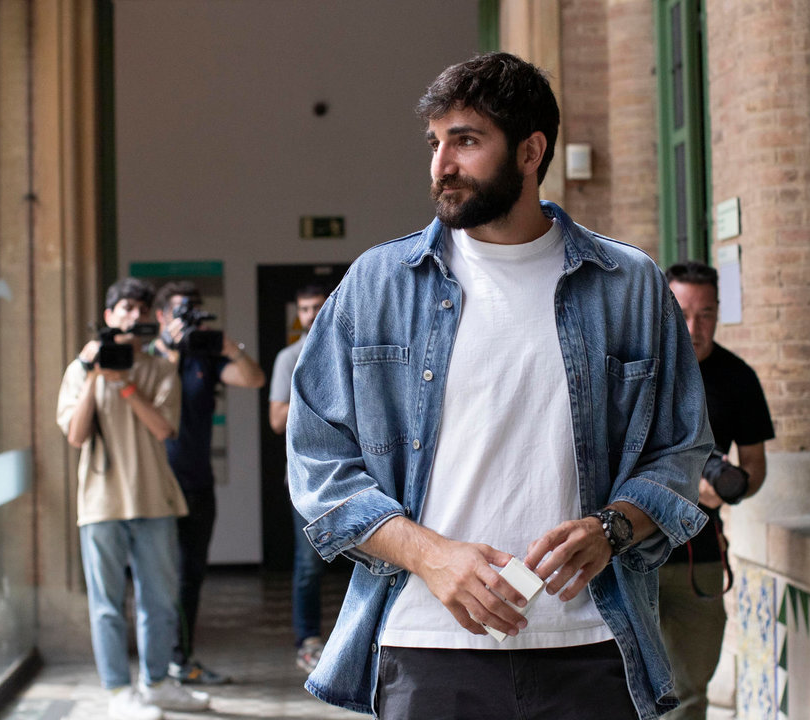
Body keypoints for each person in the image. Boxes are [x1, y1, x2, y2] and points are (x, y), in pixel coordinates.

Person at [286, 52, 714, 719]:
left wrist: (611, 526)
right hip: (427, 646)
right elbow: (317, 462)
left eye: (467, 140)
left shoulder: (629, 285)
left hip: (592, 644)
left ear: (530, 151)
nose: (442, 164)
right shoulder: (377, 286)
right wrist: (432, 558)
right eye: (436, 142)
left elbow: (682, 450)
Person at [56, 277, 211, 720]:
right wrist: (94, 375)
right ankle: (119, 691)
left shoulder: (162, 368)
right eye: (124, 308)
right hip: (100, 503)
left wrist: (124, 384)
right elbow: (76, 434)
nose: (133, 316)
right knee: (106, 605)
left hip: (154, 500)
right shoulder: (79, 370)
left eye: (140, 310)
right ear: (108, 318)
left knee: (159, 599)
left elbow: (164, 429)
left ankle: (158, 683)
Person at [659, 261, 775, 720]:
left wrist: (727, 490)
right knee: (620, 687)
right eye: (683, 311)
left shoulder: (738, 377)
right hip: (627, 554)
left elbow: (755, 467)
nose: (694, 326)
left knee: (688, 693)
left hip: (699, 555)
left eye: (706, 314)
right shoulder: (634, 367)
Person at [150, 280, 266, 685]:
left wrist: (230, 348)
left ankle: (180, 660)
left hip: (198, 482)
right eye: (181, 312)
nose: (189, 321)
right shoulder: (148, 356)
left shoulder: (205, 355)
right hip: (154, 486)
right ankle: (156, 666)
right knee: (156, 576)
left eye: (195, 313)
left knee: (190, 575)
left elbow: (253, 379)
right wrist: (167, 350)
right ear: (162, 316)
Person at [268, 284, 330, 673]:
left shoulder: (348, 347)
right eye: (304, 309)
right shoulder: (289, 357)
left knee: (377, 559)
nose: (309, 315)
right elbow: (276, 420)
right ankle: (308, 641)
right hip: (307, 477)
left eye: (316, 307)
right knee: (308, 565)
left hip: (360, 473)